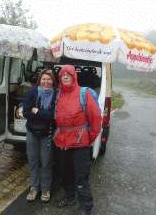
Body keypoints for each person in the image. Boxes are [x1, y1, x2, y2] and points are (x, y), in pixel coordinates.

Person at [54, 65, 102, 215]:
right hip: (62, 142)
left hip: (81, 143)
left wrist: (89, 138)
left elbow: (96, 119)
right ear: (60, 78)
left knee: (81, 176)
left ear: (74, 76)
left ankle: (86, 206)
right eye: (63, 75)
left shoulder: (84, 93)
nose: (65, 77)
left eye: (68, 74)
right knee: (65, 173)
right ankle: (70, 197)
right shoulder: (59, 94)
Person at [22, 69, 56, 202]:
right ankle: (34, 187)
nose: (46, 82)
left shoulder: (56, 95)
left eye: (49, 79)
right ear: (40, 80)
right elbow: (25, 112)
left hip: (47, 133)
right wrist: (44, 114)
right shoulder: (33, 92)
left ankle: (45, 188)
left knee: (46, 162)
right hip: (31, 132)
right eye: (44, 79)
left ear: (53, 81)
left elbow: (53, 115)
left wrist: (37, 111)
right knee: (33, 161)